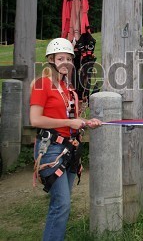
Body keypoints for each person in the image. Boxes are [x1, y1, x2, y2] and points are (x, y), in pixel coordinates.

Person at [30, 38, 102, 241]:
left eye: (69, 59)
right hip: (51, 149)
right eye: (61, 58)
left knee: (62, 202)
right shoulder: (41, 85)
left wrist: (87, 122)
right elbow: (35, 119)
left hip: (69, 148)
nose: (66, 62)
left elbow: (70, 121)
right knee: (61, 204)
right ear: (51, 60)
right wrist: (70, 124)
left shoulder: (68, 90)